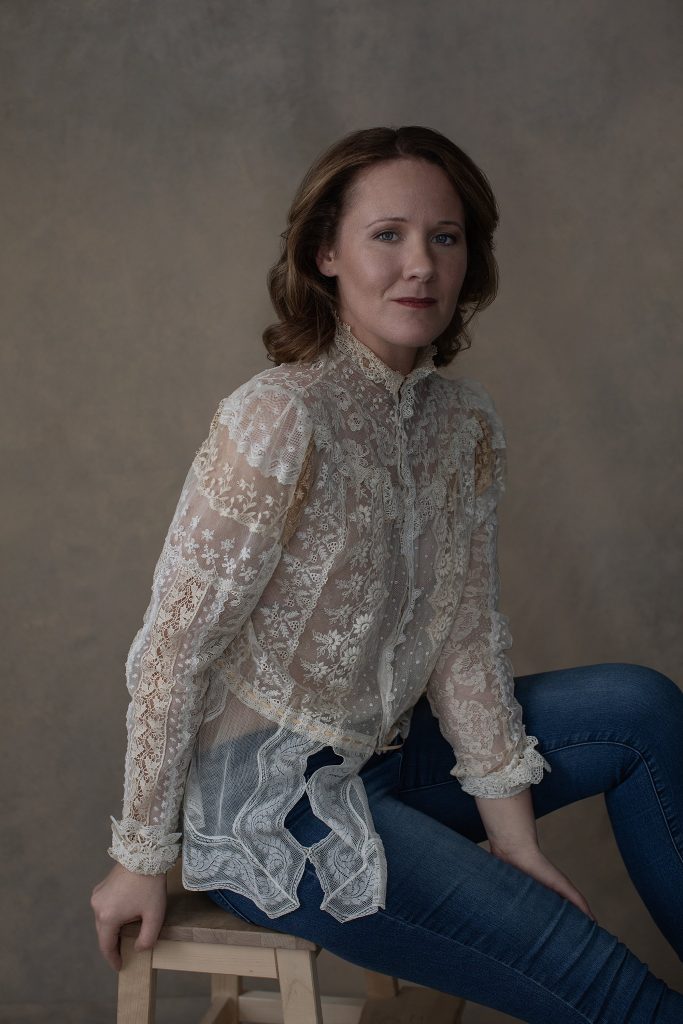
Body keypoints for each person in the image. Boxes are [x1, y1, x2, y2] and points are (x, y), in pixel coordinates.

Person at [90, 125, 683, 1022]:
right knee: (591, 970)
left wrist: (510, 837)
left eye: (445, 238)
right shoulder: (278, 416)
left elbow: (464, 636)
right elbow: (173, 649)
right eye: (387, 235)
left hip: (393, 756)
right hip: (274, 802)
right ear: (325, 253)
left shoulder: (462, 423)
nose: (420, 265)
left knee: (637, 707)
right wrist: (139, 856)